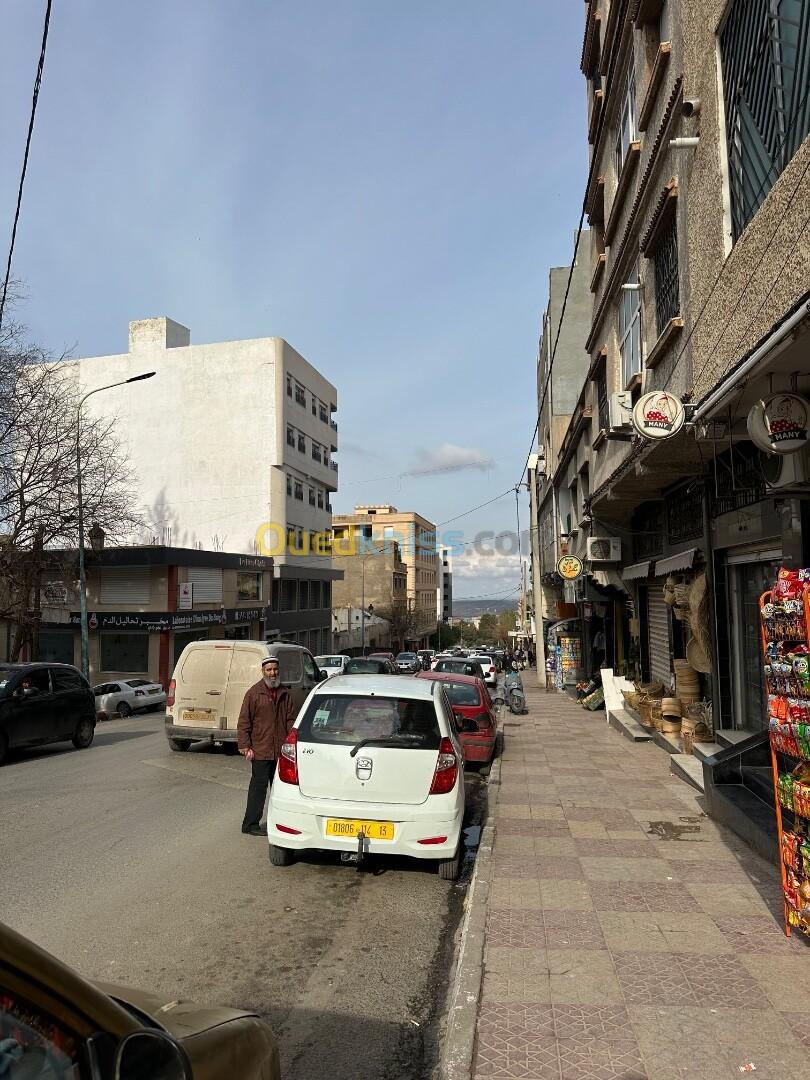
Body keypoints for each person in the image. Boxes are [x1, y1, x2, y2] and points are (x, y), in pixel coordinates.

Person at [237, 655, 296, 836]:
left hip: (280, 751)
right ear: (263, 671)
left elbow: (290, 721)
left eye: (275, 669)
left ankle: (280, 823)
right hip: (260, 750)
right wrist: (245, 745)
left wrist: (291, 746)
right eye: (269, 670)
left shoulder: (284, 693)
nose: (272, 673)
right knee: (258, 789)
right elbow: (244, 721)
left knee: (280, 790)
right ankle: (250, 824)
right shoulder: (254, 693)